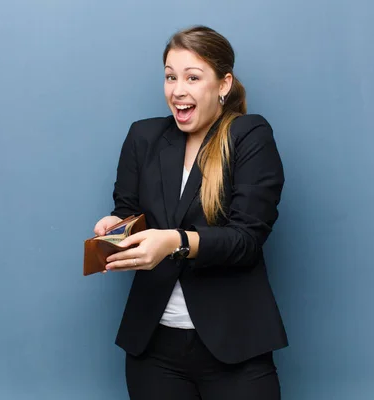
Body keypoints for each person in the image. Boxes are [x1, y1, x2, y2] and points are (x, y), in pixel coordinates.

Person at [93, 25, 288, 400]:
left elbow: (246, 239)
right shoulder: (143, 137)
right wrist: (116, 227)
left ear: (223, 84)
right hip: (153, 348)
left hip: (235, 346)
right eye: (170, 77)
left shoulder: (249, 135)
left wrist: (174, 242)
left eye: (192, 77)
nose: (177, 90)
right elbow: (129, 210)